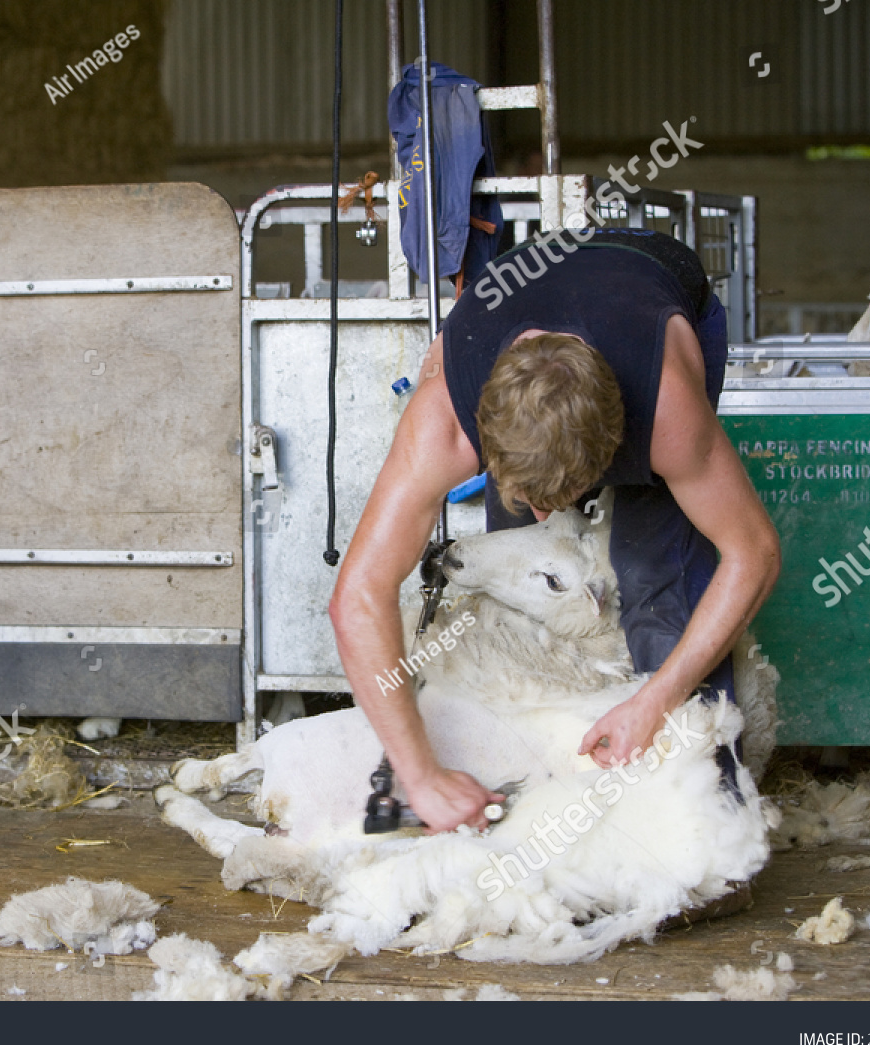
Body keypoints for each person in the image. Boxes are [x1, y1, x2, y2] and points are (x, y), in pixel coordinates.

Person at [328, 228, 782, 834]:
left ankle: (710, 819)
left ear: (615, 449)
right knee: (521, 590)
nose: (545, 516)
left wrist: (655, 701)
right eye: (528, 496)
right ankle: (535, 784)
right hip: (514, 300)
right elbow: (357, 597)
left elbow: (753, 554)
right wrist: (420, 776)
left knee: (653, 573)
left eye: (559, 500)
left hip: (651, 281)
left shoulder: (666, 411)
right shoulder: (446, 421)